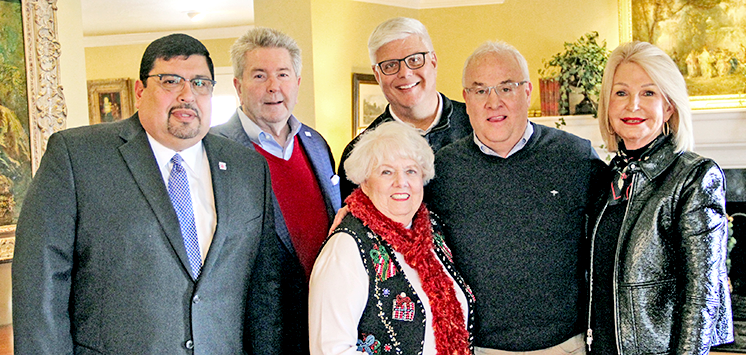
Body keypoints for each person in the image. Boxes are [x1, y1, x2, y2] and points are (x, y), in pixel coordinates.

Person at [12, 33, 282, 354]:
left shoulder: (247, 168)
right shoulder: (77, 156)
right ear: (140, 91)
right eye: (170, 81)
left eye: (200, 83)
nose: (187, 95)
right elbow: (39, 283)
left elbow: (265, 288)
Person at [425, 41, 607, 355]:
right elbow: (399, 226)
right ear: (466, 99)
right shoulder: (441, 168)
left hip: (565, 347)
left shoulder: (575, 157)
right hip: (477, 348)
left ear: (527, 92)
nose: (493, 103)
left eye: (506, 88)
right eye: (480, 91)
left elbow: (622, 222)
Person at [586, 40, 734, 354]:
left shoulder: (693, 177)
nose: (632, 105)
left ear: (668, 106)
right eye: (621, 92)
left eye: (649, 93)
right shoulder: (604, 179)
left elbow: (703, 295)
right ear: (608, 105)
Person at [210, 27, 340, 354]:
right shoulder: (214, 150)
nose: (273, 87)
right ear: (238, 86)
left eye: (283, 74)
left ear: (297, 82)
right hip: (255, 332)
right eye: (259, 75)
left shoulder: (316, 143)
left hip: (320, 323)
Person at [310, 121, 475, 355]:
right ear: (364, 182)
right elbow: (330, 349)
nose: (401, 182)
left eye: (411, 171)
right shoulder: (347, 246)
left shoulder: (432, 232)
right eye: (386, 171)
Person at [337, 17, 472, 199]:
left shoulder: (478, 125)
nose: (405, 73)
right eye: (390, 65)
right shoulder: (359, 154)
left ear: (433, 61)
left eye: (415, 60)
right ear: (377, 74)